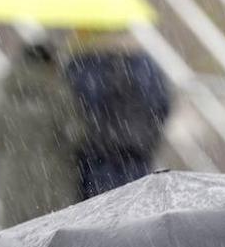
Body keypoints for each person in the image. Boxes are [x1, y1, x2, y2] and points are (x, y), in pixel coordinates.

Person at [64, 30, 173, 199]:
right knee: (136, 212)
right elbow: (163, 106)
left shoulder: (82, 65)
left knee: (96, 216)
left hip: (95, 160)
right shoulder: (147, 65)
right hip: (137, 157)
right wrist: (147, 138)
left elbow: (70, 112)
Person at [0, 41, 83, 228]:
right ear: (49, 63)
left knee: (15, 241)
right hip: (51, 178)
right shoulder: (58, 92)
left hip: (14, 178)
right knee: (48, 234)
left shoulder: (8, 93)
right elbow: (76, 135)